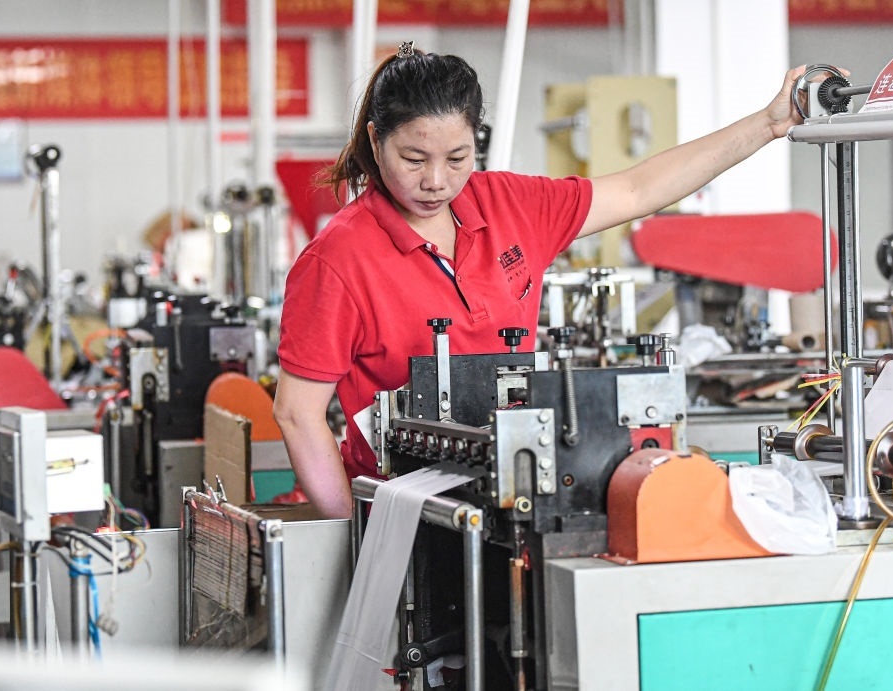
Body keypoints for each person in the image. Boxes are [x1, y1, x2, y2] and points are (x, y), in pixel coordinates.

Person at [274, 41, 813, 519]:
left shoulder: (511, 206)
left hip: (520, 495)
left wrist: (767, 124)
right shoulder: (338, 260)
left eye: (457, 157)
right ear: (375, 140)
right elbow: (298, 414)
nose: (436, 180)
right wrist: (353, 536)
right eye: (413, 159)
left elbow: (639, 189)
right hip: (402, 511)